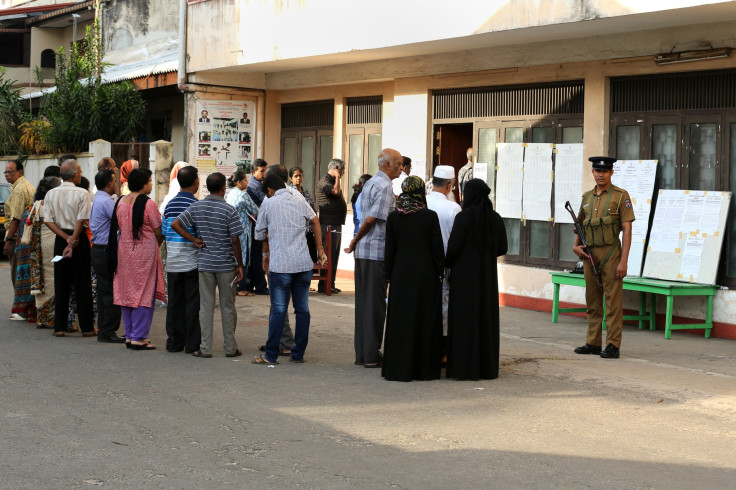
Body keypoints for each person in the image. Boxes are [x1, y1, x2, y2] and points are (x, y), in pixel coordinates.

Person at [252, 173, 324, 365]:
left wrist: (265, 253)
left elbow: (259, 234)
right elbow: (315, 220)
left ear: (269, 190)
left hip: (281, 266)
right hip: (303, 264)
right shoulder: (298, 198)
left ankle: (271, 355)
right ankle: (298, 354)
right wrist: (320, 249)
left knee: (278, 310)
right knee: (302, 310)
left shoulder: (268, 203)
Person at [172, 172, 244, 359]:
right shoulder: (230, 210)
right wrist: (240, 264)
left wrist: (194, 239)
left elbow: (175, 223)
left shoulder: (197, 206)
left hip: (204, 264)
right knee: (228, 307)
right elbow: (235, 239)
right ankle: (230, 348)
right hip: (226, 265)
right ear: (223, 188)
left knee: (206, 306)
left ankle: (205, 348)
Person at [344, 148, 403, 368]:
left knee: (364, 303)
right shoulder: (384, 185)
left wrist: (357, 242)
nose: (401, 167)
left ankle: (363, 353)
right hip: (375, 251)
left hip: (365, 252)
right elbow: (370, 219)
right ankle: (370, 354)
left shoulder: (370, 183)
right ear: (386, 165)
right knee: (375, 306)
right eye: (397, 163)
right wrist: (354, 240)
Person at [382, 176, 444, 382]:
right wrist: (440, 272)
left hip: (401, 276)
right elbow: (437, 249)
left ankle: (399, 369)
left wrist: (388, 276)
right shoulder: (429, 216)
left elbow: (389, 251)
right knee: (424, 321)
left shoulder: (394, 217)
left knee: (402, 321)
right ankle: (424, 369)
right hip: (426, 277)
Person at [573, 156, 635, 360]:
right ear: (592, 172)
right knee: (592, 300)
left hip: (611, 254)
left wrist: (623, 261)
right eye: (597, 171)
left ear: (611, 173)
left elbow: (627, 230)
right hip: (590, 254)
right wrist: (575, 247)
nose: (601, 174)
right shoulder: (587, 197)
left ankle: (612, 345)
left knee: (613, 301)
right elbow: (580, 224)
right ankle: (592, 342)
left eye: (605, 171)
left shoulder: (620, 196)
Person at [445, 179, 507, 380]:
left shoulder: (463, 218)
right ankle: (486, 368)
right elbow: (503, 248)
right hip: (487, 278)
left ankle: (463, 367)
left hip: (464, 276)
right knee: (485, 317)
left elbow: (453, 248)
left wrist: (447, 265)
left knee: (464, 318)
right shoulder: (495, 218)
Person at [109, 168, 165, 350]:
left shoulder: (121, 201)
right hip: (145, 253)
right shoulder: (149, 204)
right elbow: (159, 231)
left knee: (126, 293)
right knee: (143, 293)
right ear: (143, 183)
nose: (151, 184)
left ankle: (130, 334)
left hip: (123, 252)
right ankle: (139, 337)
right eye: (149, 181)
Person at [43, 159, 95, 338]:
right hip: (78, 240)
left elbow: (48, 220)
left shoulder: (51, 194)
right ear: (74, 175)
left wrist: (65, 239)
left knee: (61, 283)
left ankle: (59, 327)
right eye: (79, 171)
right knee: (82, 284)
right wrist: (72, 240)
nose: (81, 174)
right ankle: (87, 327)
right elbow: (82, 219)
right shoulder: (82, 193)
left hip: (60, 239)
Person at [162, 166, 202, 354]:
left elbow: (164, 232)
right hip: (192, 261)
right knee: (192, 303)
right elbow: (200, 234)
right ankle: (192, 344)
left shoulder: (169, 205)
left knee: (175, 303)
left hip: (173, 262)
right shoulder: (196, 205)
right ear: (196, 182)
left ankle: (174, 342)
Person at [425, 165, 462, 342]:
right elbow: (456, 240)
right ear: (449, 185)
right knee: (443, 306)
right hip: (444, 264)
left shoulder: (422, 202)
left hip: (422, 263)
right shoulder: (453, 208)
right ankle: (441, 350)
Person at [89, 169, 124, 343]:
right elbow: (121, 220)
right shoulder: (107, 201)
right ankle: (109, 329)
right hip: (105, 250)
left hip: (98, 248)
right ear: (109, 183)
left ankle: (105, 329)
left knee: (105, 289)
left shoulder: (99, 199)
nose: (116, 183)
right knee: (110, 290)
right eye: (114, 180)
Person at [29, 176, 61, 329]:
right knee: (54, 277)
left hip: (39, 245)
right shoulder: (55, 204)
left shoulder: (36, 205)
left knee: (42, 277)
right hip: (54, 242)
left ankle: (42, 317)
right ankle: (53, 317)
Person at [4, 160, 36, 295]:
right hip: (26, 236)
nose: (6, 175)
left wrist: (8, 239)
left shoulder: (20, 189)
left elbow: (16, 218)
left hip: (18, 238)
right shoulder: (27, 186)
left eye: (10, 172)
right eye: (5, 172)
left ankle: (21, 309)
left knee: (18, 275)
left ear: (20, 172)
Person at [315, 158, 347, 294]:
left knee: (334, 255)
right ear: (335, 167)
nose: (343, 172)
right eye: (342, 169)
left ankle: (330, 283)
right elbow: (334, 192)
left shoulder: (332, 181)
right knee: (328, 254)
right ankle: (324, 285)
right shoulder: (325, 181)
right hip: (328, 224)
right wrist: (338, 177)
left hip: (335, 223)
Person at [226, 170, 259, 297]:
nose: (247, 182)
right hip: (243, 230)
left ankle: (234, 286)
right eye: (245, 180)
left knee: (234, 257)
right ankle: (243, 286)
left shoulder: (230, 194)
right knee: (243, 258)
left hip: (231, 230)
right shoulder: (243, 195)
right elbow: (256, 209)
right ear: (239, 182)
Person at [245, 159, 269, 295]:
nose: (264, 173)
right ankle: (260, 286)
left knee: (255, 256)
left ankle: (251, 284)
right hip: (256, 226)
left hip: (256, 225)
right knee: (258, 256)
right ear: (254, 172)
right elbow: (265, 205)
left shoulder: (258, 185)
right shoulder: (255, 186)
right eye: (262, 171)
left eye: (266, 170)